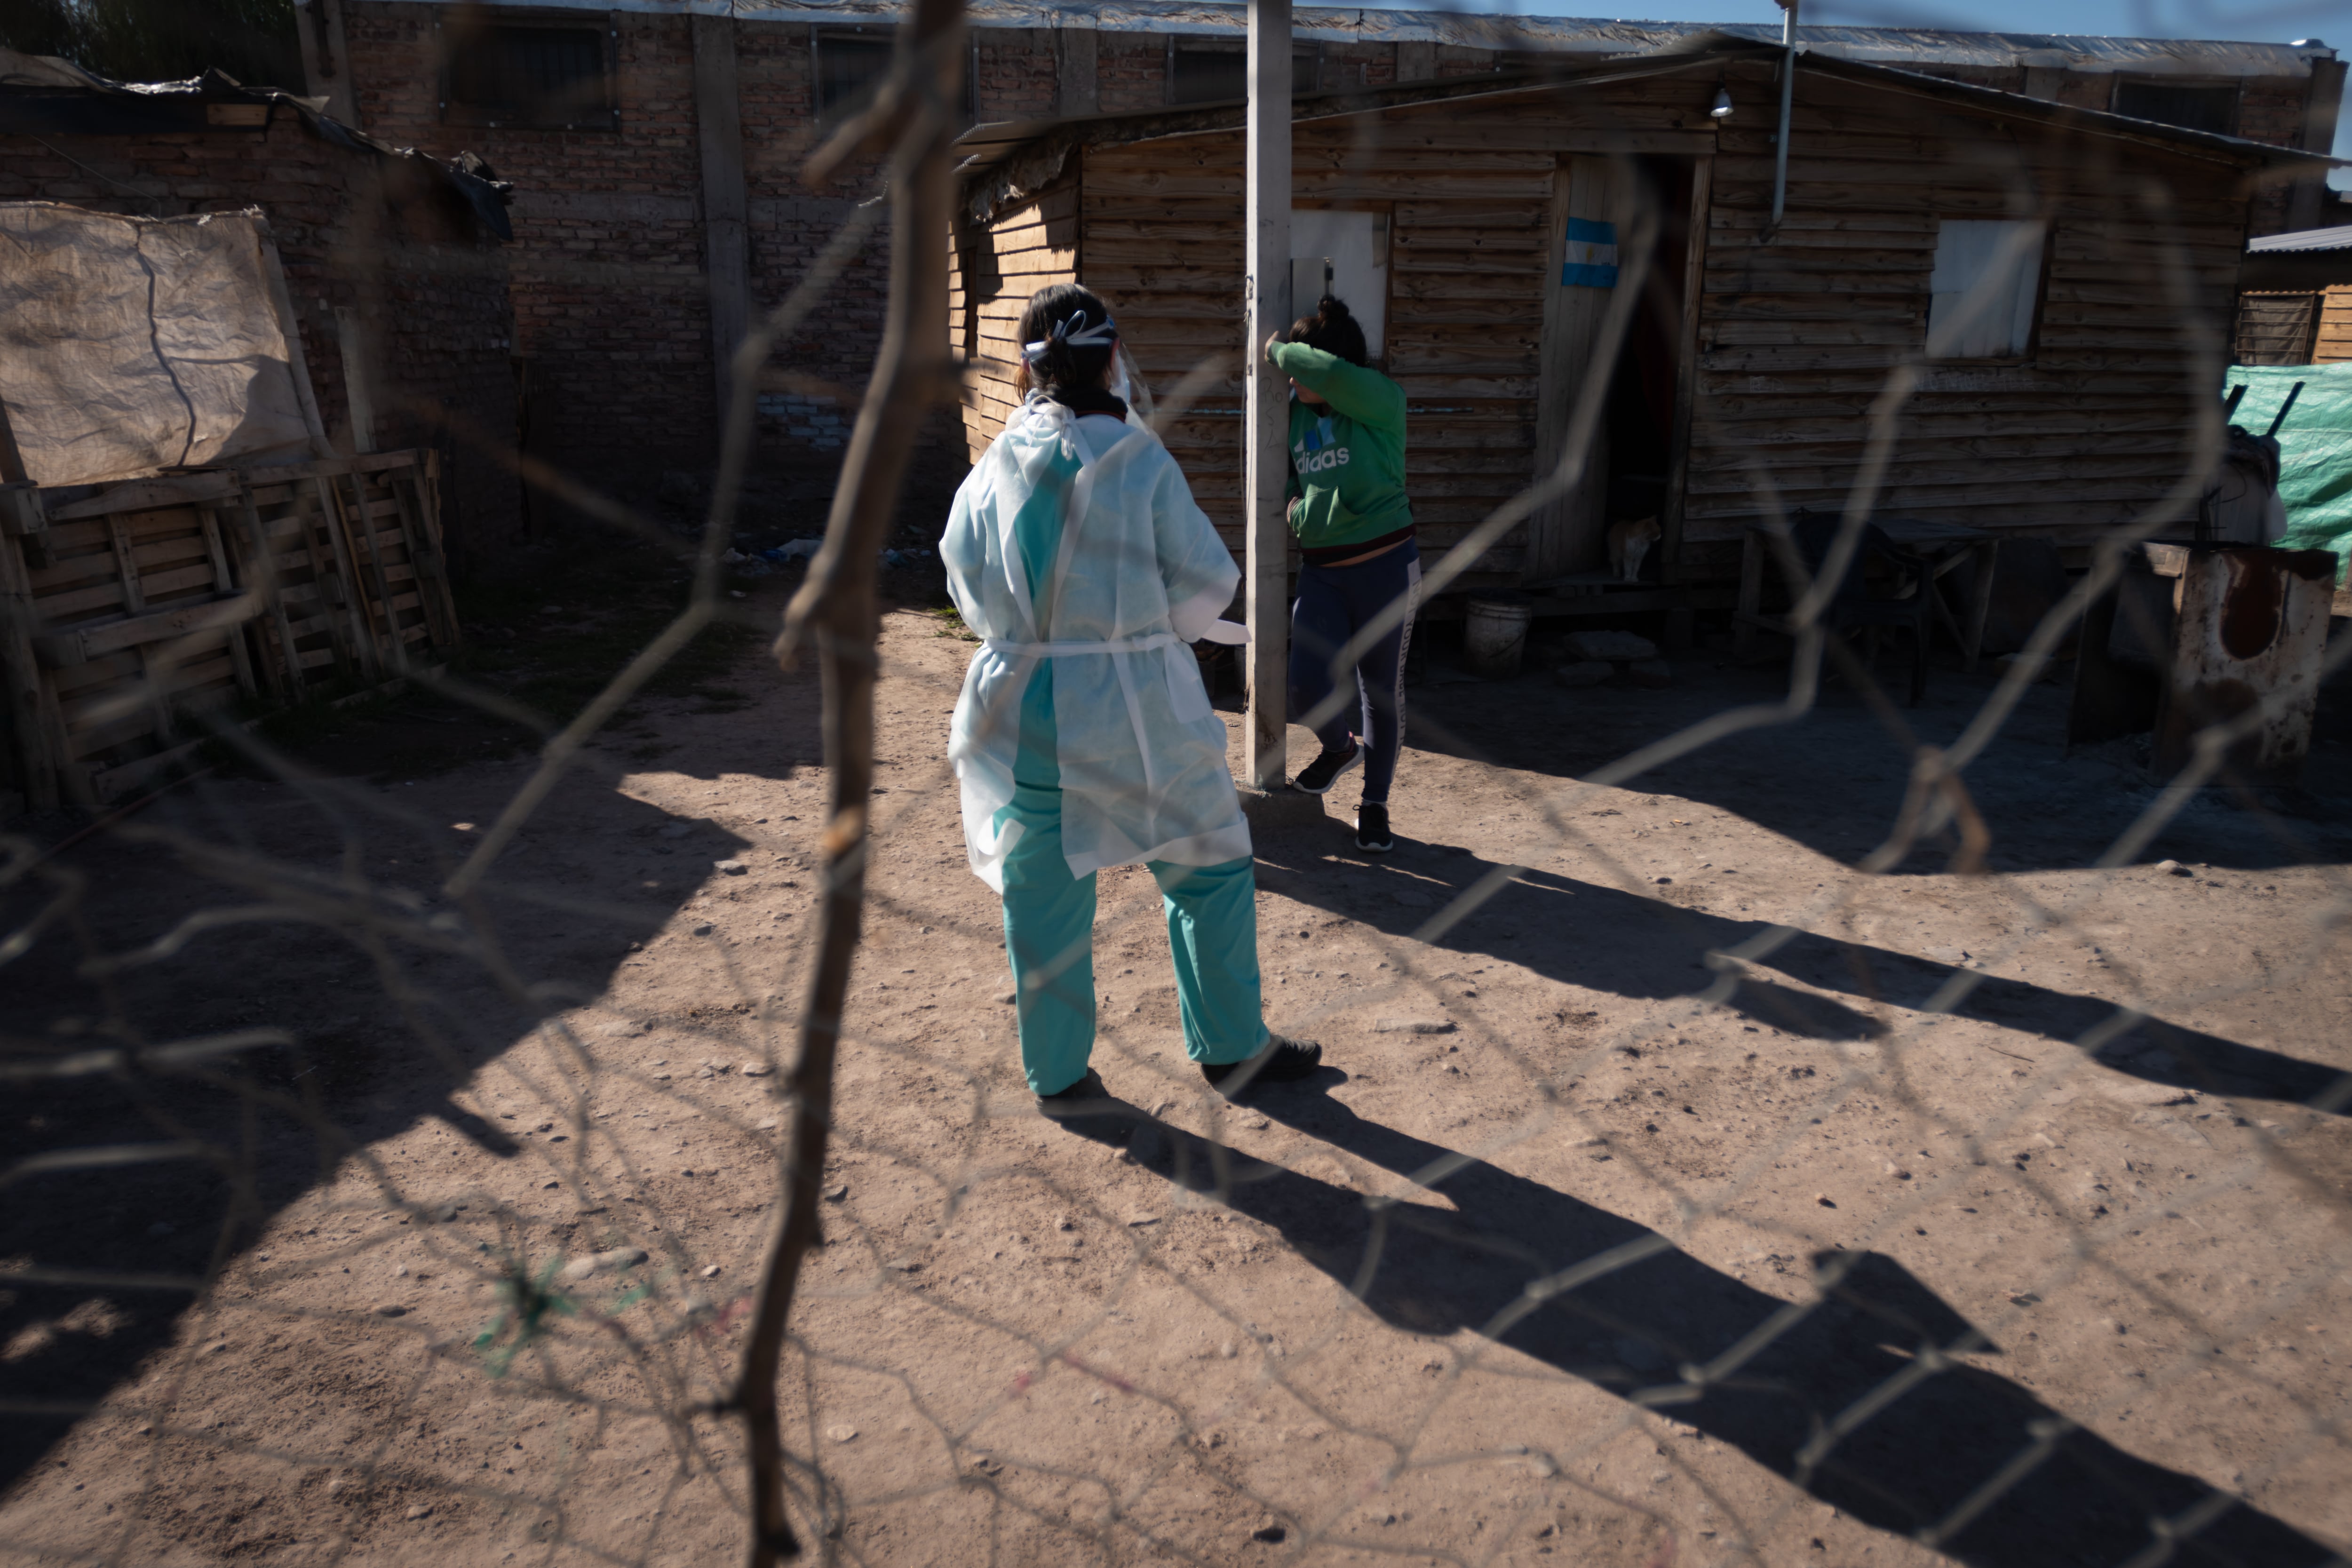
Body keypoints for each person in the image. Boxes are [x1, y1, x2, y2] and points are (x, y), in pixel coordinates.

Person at [944, 284, 1324, 1115]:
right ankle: (1231, 1048)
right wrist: (1133, 623)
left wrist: (1037, 626)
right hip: (1133, 705)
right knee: (1207, 863)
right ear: (1113, 358)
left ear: (1026, 365)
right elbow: (1201, 590)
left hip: (1023, 705)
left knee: (1042, 884)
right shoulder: (1137, 457)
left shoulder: (996, 464)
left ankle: (1058, 1073)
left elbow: (965, 582)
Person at [1264, 295, 1416, 856]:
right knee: (1303, 683)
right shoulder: (1295, 414)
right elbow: (1283, 478)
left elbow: (1323, 371)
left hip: (1387, 567)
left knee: (1380, 694)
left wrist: (1277, 348)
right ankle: (1338, 747)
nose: (1291, 376)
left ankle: (1373, 806)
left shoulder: (1381, 401)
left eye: (1300, 366)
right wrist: (1293, 510)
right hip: (1323, 571)